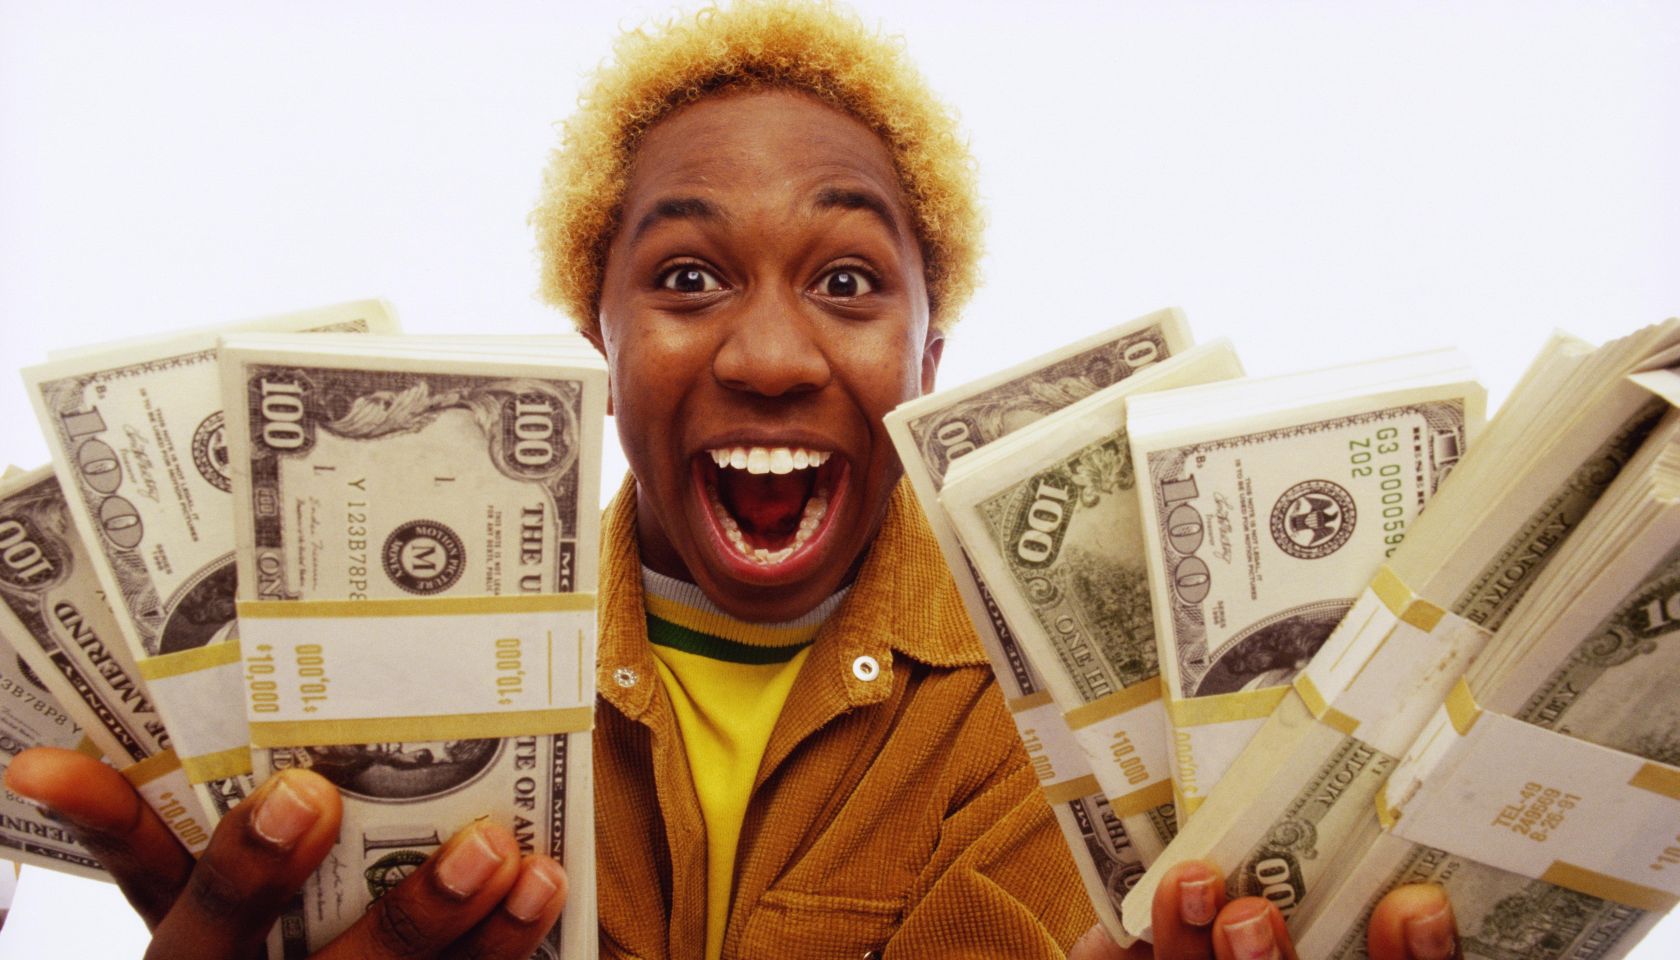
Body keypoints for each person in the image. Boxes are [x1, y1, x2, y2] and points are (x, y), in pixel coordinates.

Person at [5, 3, 1461, 958]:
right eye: (689, 276)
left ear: (930, 359)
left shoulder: (1068, 720)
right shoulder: (349, 693)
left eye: (845, 279)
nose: (769, 353)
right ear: (601, 338)